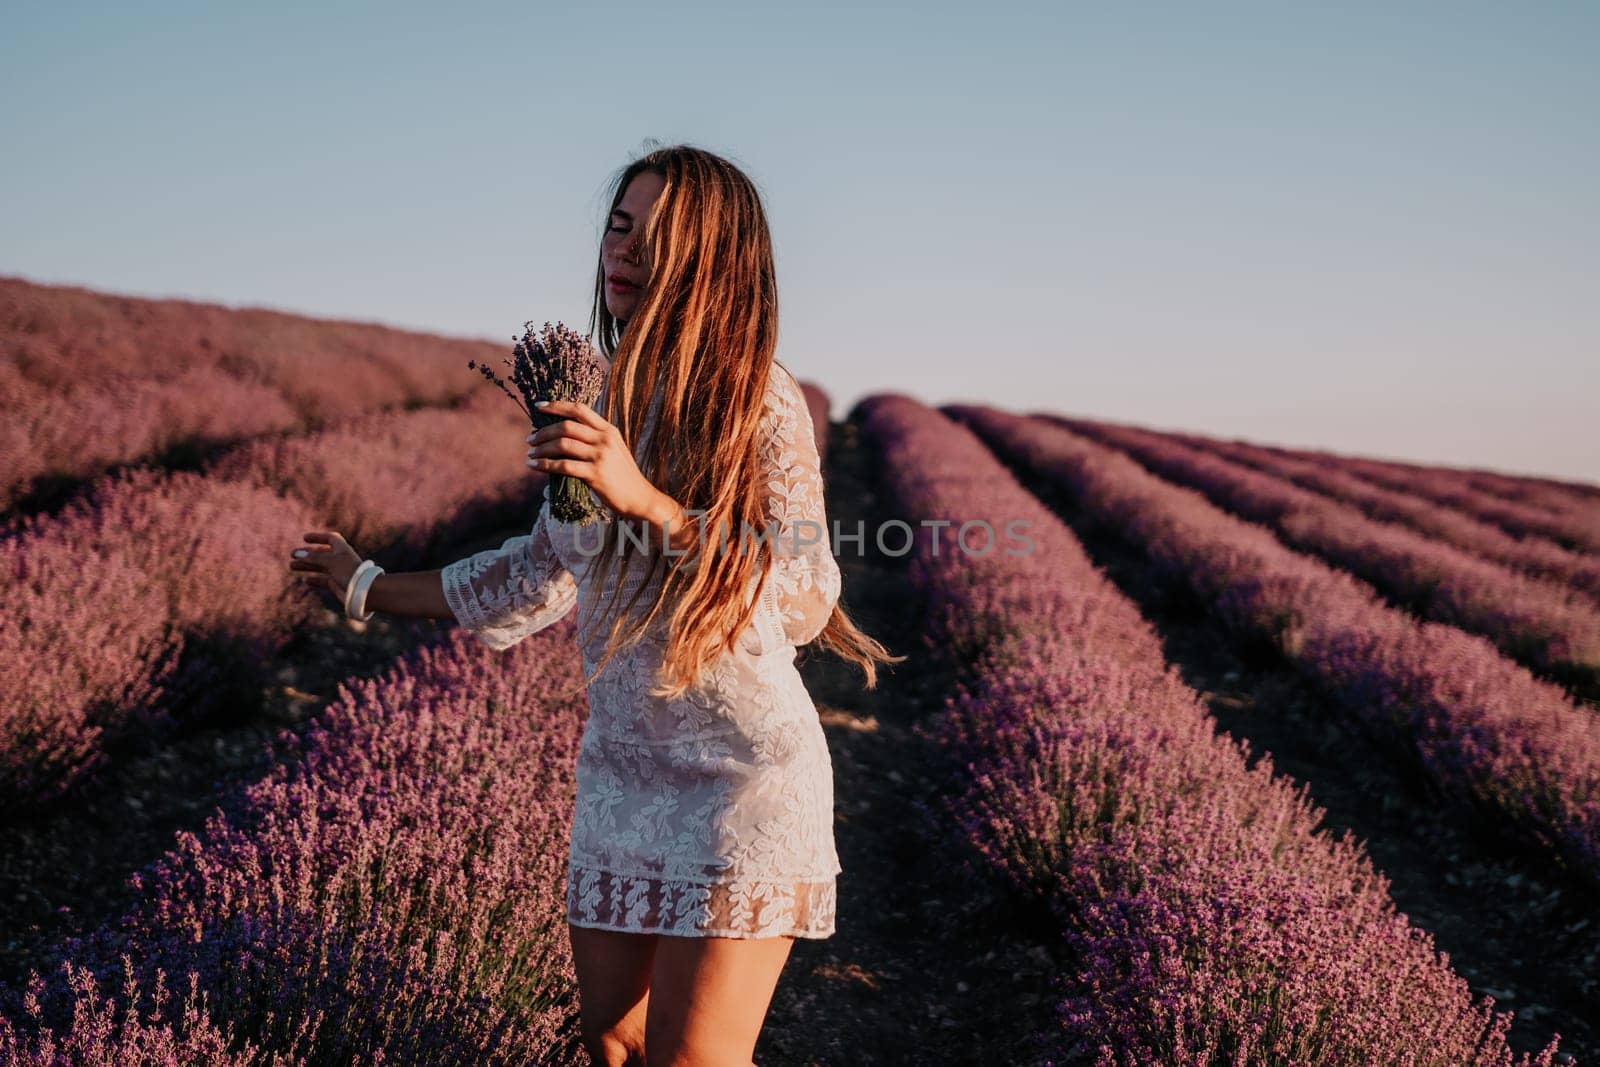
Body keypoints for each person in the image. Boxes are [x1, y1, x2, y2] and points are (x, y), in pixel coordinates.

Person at [287, 142, 901, 1067]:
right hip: (623, 775)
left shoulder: (757, 398)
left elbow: (806, 591)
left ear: (709, 261)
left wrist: (643, 497)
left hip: (742, 778)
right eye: (619, 228)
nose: (625, 252)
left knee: (690, 1059)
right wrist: (367, 585)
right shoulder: (593, 397)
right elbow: (538, 570)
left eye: (657, 238)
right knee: (612, 1042)